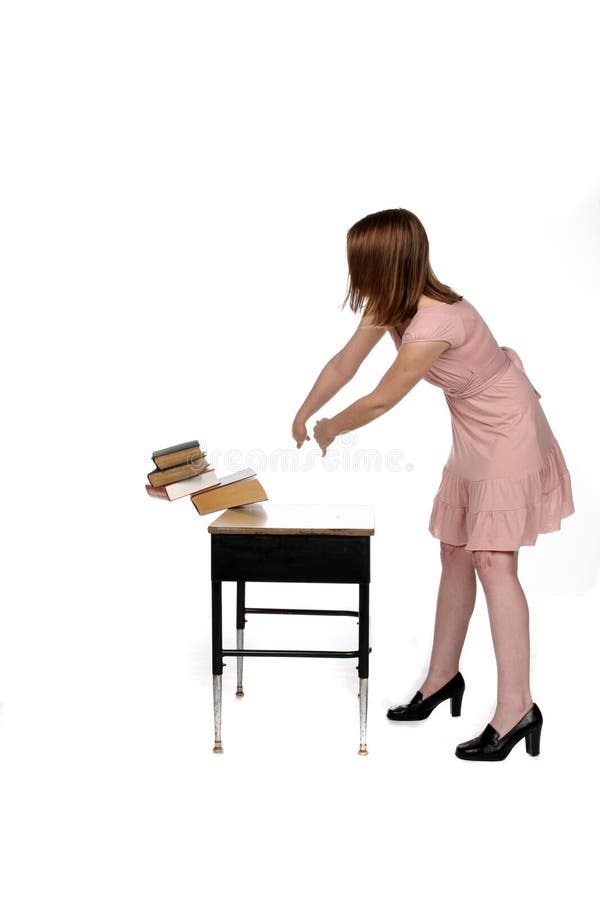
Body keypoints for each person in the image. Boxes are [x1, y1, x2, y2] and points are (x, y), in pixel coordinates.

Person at [291, 208, 575, 762]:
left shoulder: (435, 321)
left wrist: (332, 427)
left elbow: (380, 397)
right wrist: (304, 412)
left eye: (361, 261)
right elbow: (346, 364)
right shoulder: (390, 305)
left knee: (494, 560)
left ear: (384, 263)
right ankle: (442, 678)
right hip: (474, 426)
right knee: (453, 551)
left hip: (508, 426)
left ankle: (517, 708)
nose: (354, 273)